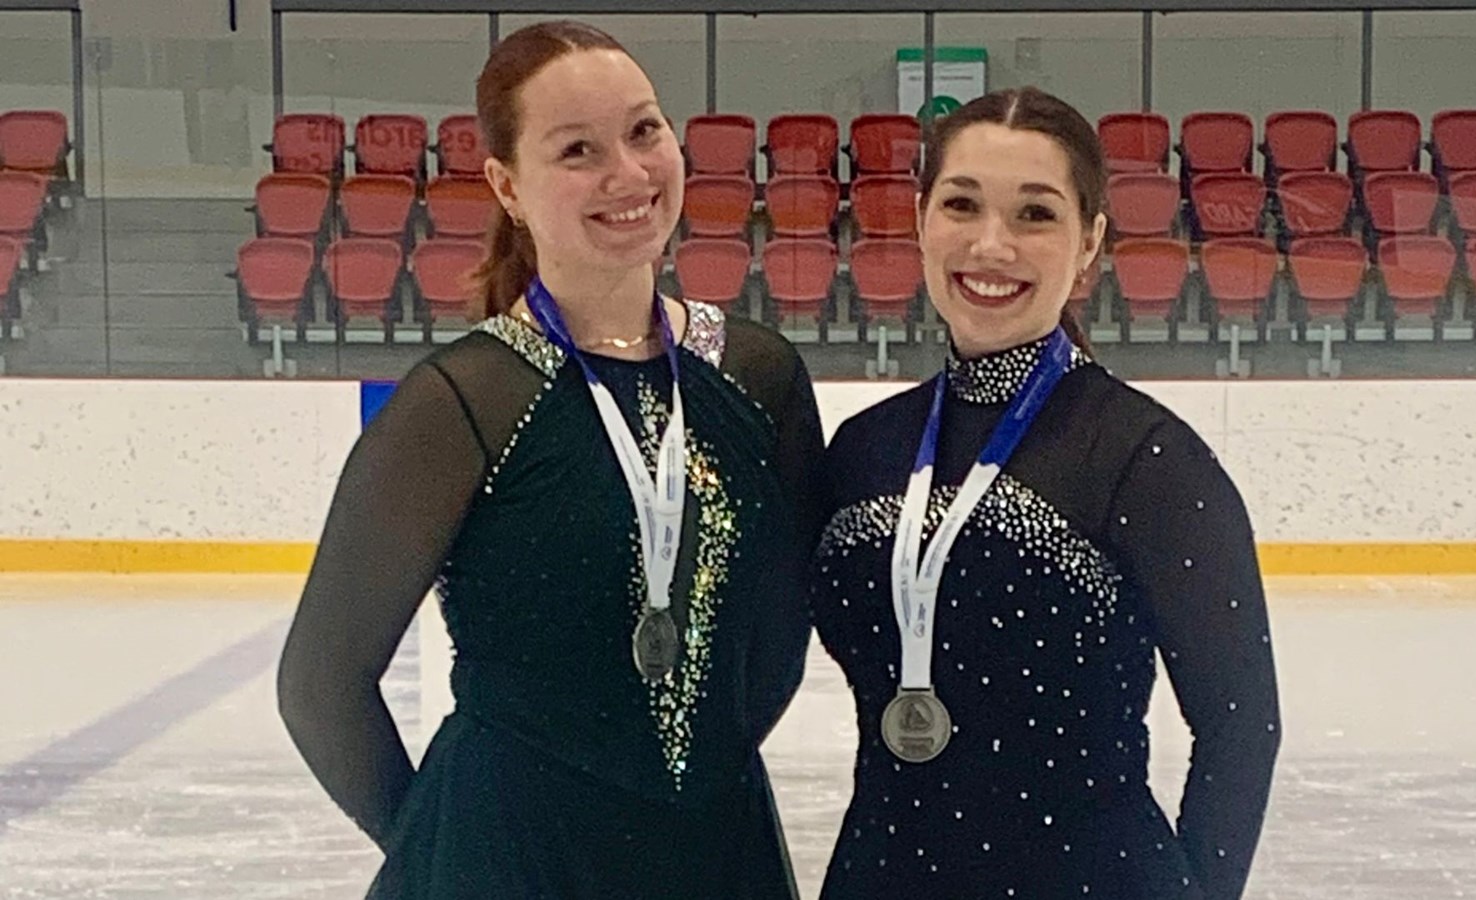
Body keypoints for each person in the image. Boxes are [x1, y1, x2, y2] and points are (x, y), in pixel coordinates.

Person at [276, 21, 824, 899]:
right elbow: (321, 682)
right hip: (508, 859)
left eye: (645, 131)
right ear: (508, 185)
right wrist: (442, 847)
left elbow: (779, 637)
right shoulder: (460, 403)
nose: (629, 173)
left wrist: (683, 784)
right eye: (578, 150)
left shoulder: (760, 376)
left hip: (714, 852)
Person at [809, 86, 1281, 900]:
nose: (992, 245)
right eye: (962, 204)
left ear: (1090, 240)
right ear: (922, 220)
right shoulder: (863, 452)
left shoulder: (1148, 460)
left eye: (1035, 214)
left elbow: (1242, 728)